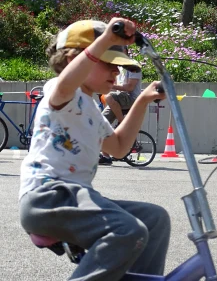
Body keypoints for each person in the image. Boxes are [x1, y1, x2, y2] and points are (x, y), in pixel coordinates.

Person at [18, 19, 171, 280]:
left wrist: (143, 100)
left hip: (74, 197)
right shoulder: (62, 91)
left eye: (117, 66)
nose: (115, 72)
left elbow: (120, 148)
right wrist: (105, 41)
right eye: (107, 63)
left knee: (154, 220)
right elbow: (67, 83)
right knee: (128, 230)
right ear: (71, 61)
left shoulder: (91, 109)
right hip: (48, 196)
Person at [99, 48, 142, 165]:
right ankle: (106, 157)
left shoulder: (134, 67)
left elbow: (129, 88)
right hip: (119, 99)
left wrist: (112, 86)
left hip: (131, 99)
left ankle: (122, 121)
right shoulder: (119, 68)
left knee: (109, 96)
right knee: (101, 124)